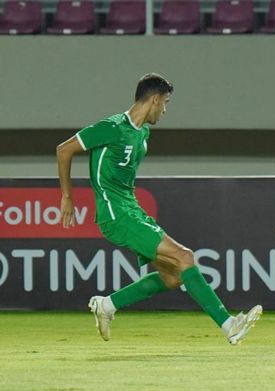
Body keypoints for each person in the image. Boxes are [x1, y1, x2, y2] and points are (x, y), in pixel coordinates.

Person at [56, 73, 262, 345]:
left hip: (132, 210)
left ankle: (107, 305)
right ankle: (229, 325)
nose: (165, 110)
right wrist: (67, 197)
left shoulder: (143, 134)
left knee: (173, 275)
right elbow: (63, 150)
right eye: (165, 103)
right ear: (154, 99)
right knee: (185, 256)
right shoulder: (112, 127)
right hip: (116, 214)